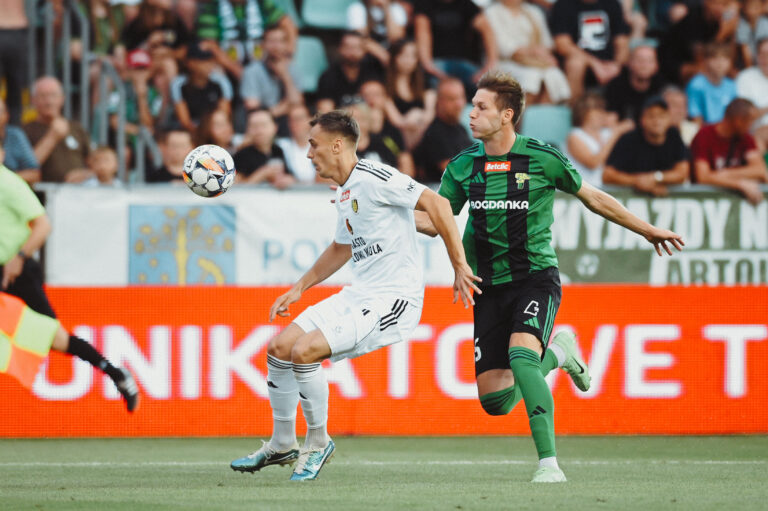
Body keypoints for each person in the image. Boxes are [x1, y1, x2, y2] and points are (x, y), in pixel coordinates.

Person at [416, 70, 684, 483]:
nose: (471, 113)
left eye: (480, 106)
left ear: (506, 115)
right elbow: (437, 220)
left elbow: (592, 196)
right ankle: (560, 353)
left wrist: (647, 230)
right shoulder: (463, 166)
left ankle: (549, 465)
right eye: (472, 105)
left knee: (523, 357)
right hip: (486, 285)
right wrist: (386, 214)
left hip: (534, 277)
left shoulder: (542, 157)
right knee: (496, 401)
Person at [229, 109, 480, 481]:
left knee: (305, 351)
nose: (308, 154)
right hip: (359, 293)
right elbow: (341, 248)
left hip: (393, 299)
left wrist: (458, 265)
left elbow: (439, 205)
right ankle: (282, 443)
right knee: (280, 348)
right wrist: (298, 289)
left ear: (336, 144)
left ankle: (317, 443)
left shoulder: (376, 177)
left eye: (313, 145)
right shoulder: (346, 191)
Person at [0, 154, 139, 411]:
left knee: (56, 339)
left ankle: (115, 373)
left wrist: (18, 257)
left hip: (15, 272)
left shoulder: (8, 183)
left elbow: (42, 225)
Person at [485, 0, 571, 105]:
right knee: (532, 77)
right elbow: (504, 48)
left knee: (554, 75)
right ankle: (516, 119)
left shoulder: (533, 11)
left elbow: (547, 43)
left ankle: (539, 118)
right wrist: (533, 51)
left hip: (536, 62)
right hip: (506, 63)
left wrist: (544, 55)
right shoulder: (491, 12)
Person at [603, 96, 690, 196]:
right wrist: (637, 181)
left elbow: (682, 173)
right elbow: (607, 175)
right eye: (651, 116)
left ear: (669, 118)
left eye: (661, 116)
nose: (657, 121)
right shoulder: (629, 139)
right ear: (642, 120)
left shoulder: (674, 136)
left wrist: (656, 178)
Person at [690, 98, 768, 204]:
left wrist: (723, 174)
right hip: (705, 202)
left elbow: (760, 170)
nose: (751, 125)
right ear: (738, 120)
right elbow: (702, 177)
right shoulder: (704, 136)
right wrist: (740, 184)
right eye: (750, 120)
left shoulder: (746, 138)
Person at [413, 0, 498, 97]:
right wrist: (428, 65)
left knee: (489, 89)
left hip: (464, 63)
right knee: (435, 86)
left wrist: (490, 63)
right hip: (436, 62)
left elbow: (487, 30)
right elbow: (423, 33)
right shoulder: (425, 4)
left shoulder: (466, 4)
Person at [549, 0, 631, 100]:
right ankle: (575, 110)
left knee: (640, 58)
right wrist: (595, 64)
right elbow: (563, 45)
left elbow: (622, 42)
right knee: (576, 64)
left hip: (610, 63)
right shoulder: (563, 5)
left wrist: (616, 65)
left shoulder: (612, 4)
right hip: (581, 63)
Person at [24, 77, 93, 184]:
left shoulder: (77, 128)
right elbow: (25, 168)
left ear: (62, 98)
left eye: (53, 95)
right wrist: (52, 137)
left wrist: (85, 174)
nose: (49, 101)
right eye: (43, 96)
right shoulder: (24, 131)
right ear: (33, 100)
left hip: (77, 195)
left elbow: (95, 164)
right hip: (41, 196)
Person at [565, 93, 634, 187]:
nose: (601, 114)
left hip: (601, 189)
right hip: (579, 190)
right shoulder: (575, 135)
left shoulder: (606, 133)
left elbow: (629, 126)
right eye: (596, 109)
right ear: (582, 113)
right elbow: (593, 163)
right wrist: (616, 133)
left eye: (602, 109)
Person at [412, 78, 472, 182]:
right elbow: (454, 174)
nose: (459, 104)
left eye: (461, 97)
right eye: (452, 99)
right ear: (440, 102)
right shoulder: (435, 132)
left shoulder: (460, 128)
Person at [240, 24, 302, 122]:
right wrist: (284, 107)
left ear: (286, 45)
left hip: (286, 121)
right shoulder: (252, 71)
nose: (276, 46)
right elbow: (253, 107)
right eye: (272, 41)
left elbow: (297, 102)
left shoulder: (292, 68)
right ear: (263, 45)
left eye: (280, 41)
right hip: (261, 121)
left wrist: (285, 76)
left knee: (299, 114)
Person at [170, 40, 233, 133]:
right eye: (203, 61)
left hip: (216, 131)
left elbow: (224, 114)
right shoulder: (178, 84)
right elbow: (185, 122)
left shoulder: (221, 81)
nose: (209, 64)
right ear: (190, 63)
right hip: (191, 134)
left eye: (210, 60)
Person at [383, 39, 436, 150]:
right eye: (403, 55)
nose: (408, 60)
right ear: (394, 57)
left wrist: (417, 117)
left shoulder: (425, 81)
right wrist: (411, 119)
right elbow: (397, 121)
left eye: (412, 56)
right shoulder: (385, 83)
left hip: (422, 130)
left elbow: (429, 114)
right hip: (398, 133)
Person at [315, 31, 384, 113]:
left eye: (357, 47)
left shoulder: (372, 70)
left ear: (365, 50)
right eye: (348, 47)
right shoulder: (328, 77)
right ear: (340, 49)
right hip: (342, 122)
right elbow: (325, 111)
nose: (352, 52)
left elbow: (393, 67)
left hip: (370, 120)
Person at [604, 41, 665, 122]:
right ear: (629, 63)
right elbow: (610, 119)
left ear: (656, 65)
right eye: (640, 60)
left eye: (649, 61)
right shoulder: (616, 86)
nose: (644, 65)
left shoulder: (662, 87)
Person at [233, 108, 293, 187]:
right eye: (254, 126)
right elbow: (235, 187)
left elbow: (290, 176)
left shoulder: (277, 150)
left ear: (275, 127)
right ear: (248, 129)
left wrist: (287, 180)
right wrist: (263, 174)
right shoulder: (241, 155)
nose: (259, 131)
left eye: (264, 125)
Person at [685, 43, 737, 125]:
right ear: (705, 61)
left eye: (725, 59)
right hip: (705, 132)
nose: (720, 64)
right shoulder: (696, 85)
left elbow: (735, 116)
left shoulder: (731, 86)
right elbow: (695, 117)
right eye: (715, 58)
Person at [346, 0, 408, 66]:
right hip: (368, 56)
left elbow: (397, 39)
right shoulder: (357, 8)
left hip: (391, 54)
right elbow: (361, 38)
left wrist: (386, 8)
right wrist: (384, 56)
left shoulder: (396, 9)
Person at [0, 0, 29, 126]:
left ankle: (14, 131)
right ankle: (15, 127)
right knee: (15, 88)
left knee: (16, 88)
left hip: (16, 28)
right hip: (17, 29)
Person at [736, 37, 768, 149]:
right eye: (763, 54)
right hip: (754, 132)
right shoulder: (746, 77)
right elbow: (745, 115)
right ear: (757, 56)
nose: (766, 59)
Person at [276, 104, 319, 184]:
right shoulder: (280, 146)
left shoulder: (321, 146)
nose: (295, 123)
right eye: (291, 120)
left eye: (299, 119)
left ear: (310, 120)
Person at [0, 98, 39, 185]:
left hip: (10, 191)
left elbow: (34, 174)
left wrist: (5, 178)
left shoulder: (15, 135)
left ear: (6, 115)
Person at [736, 0, 768, 68]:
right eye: (750, 7)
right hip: (750, 60)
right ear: (744, 9)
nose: (753, 11)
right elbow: (745, 49)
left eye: (756, 7)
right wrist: (750, 68)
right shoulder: (741, 24)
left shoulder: (765, 23)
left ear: (762, 8)